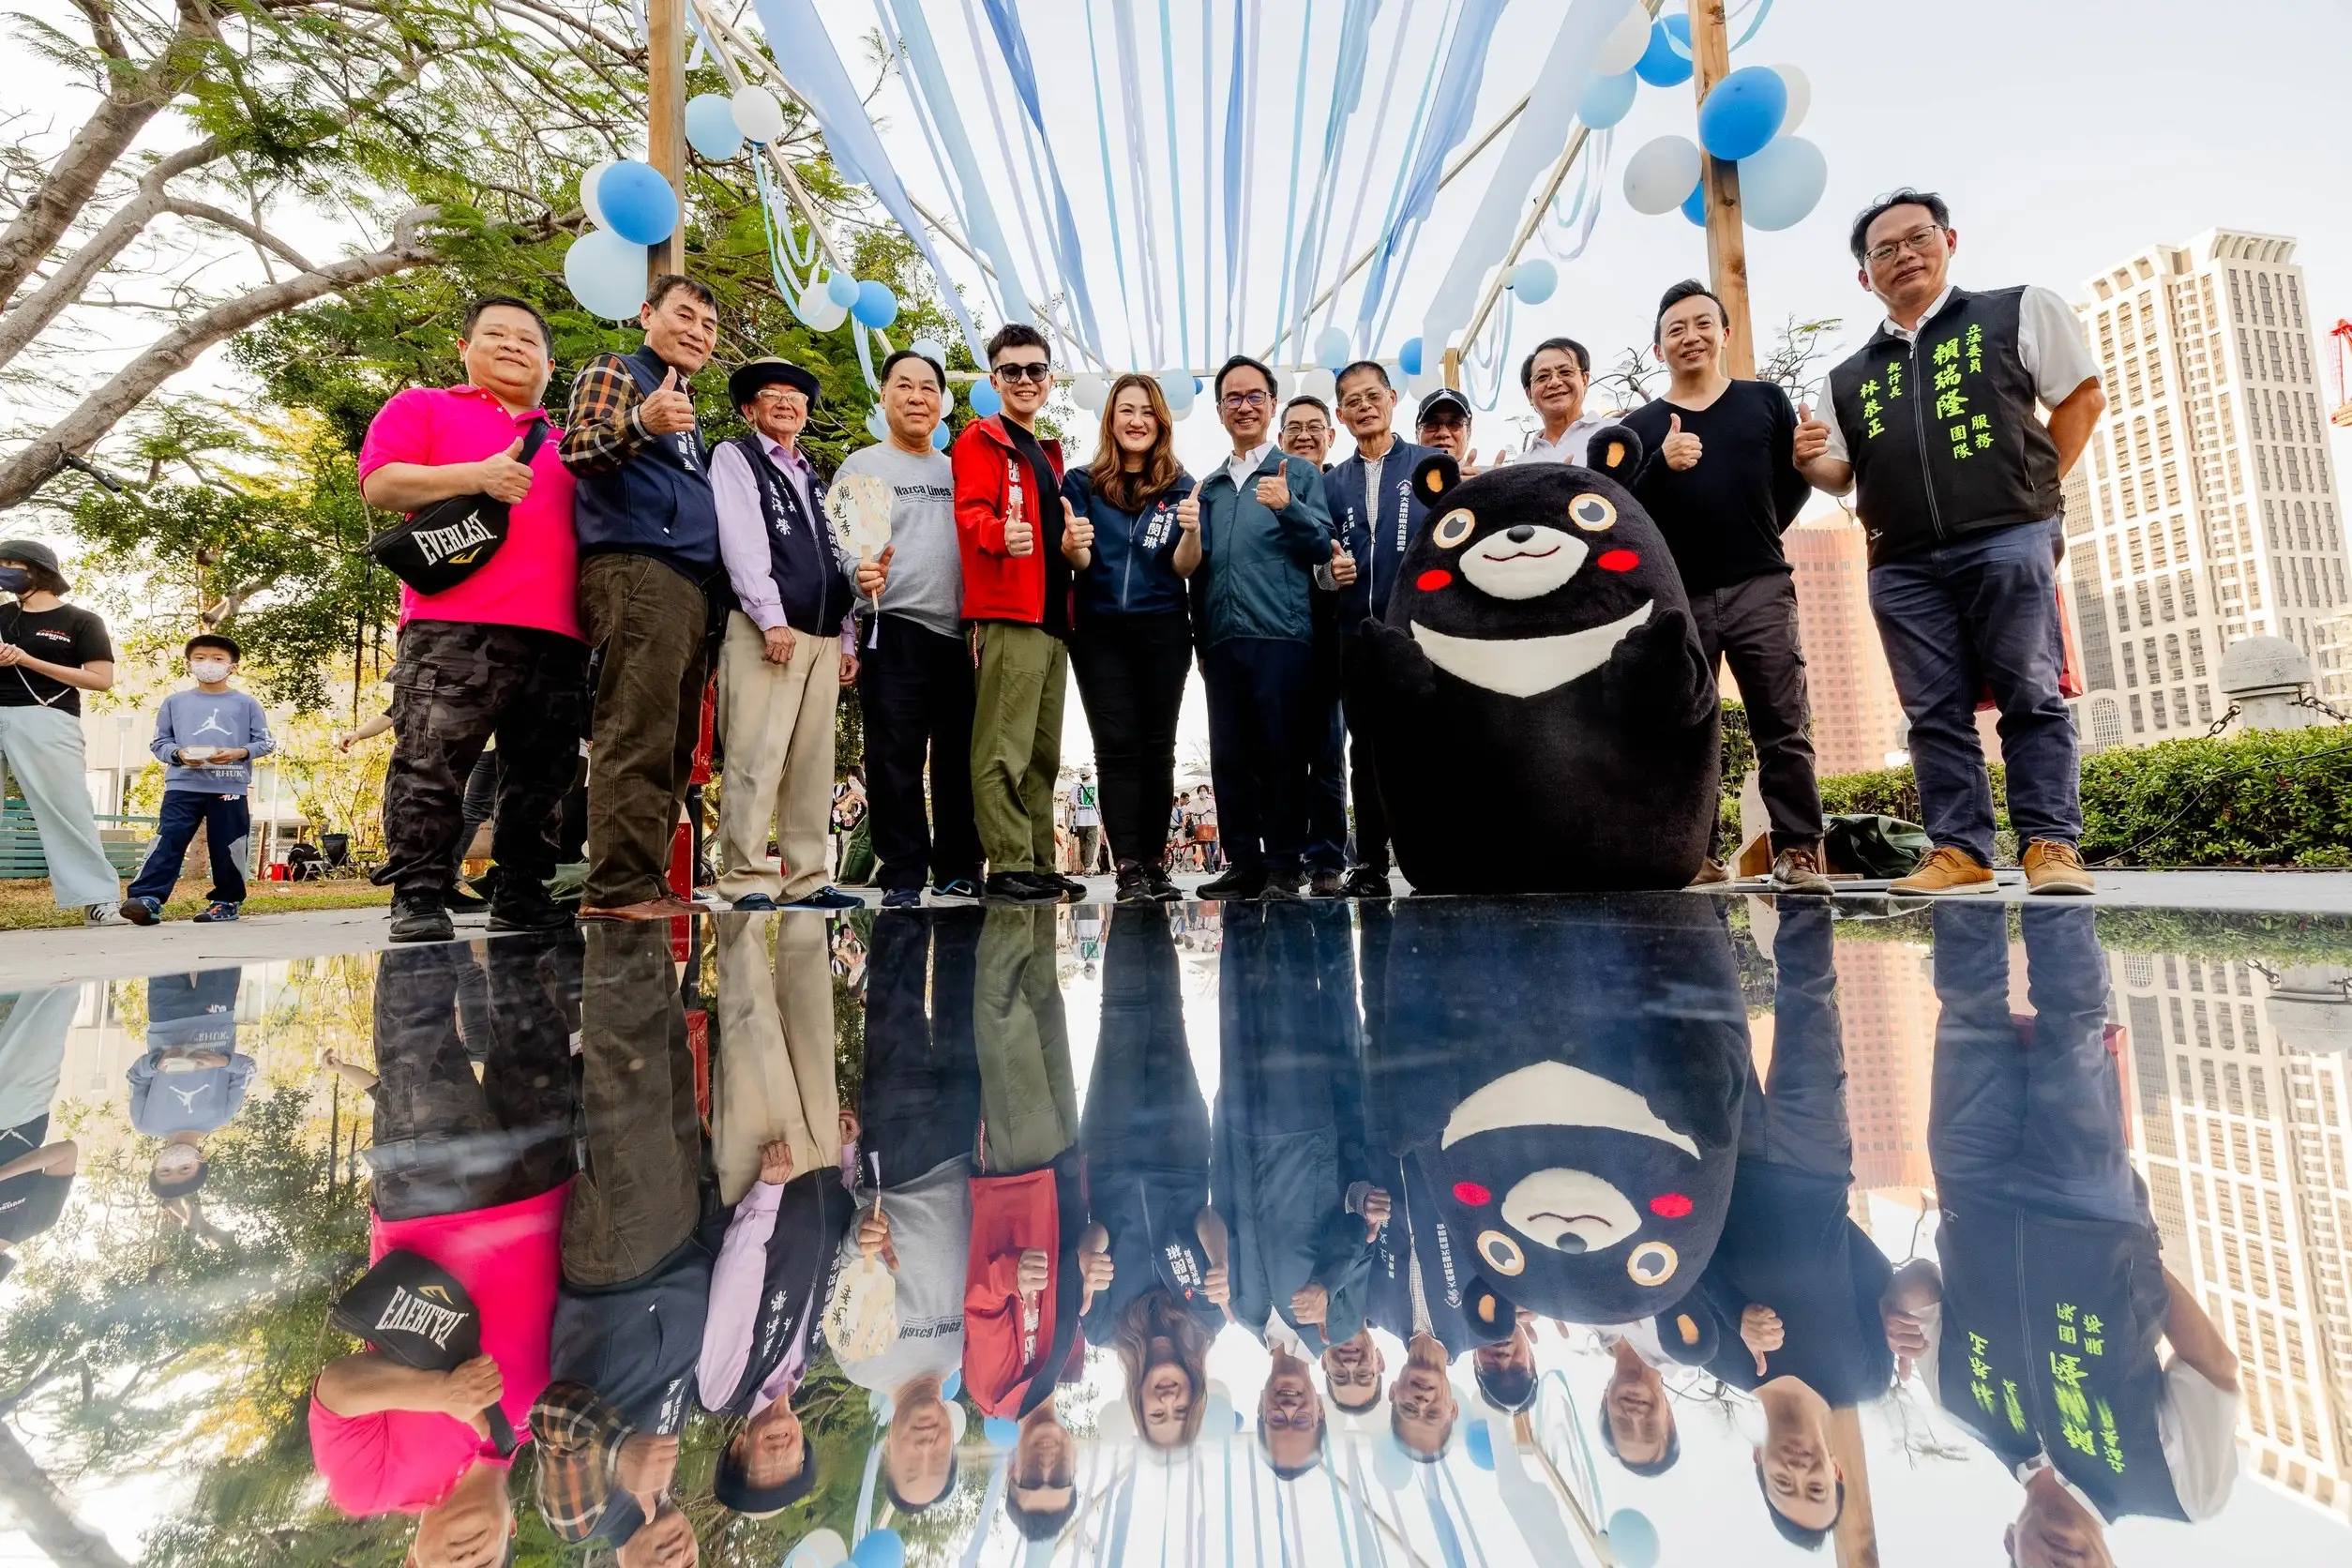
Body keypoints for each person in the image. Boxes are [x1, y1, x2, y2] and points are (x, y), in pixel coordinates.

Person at [1883, 903, 2240, 1559]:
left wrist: (1895, 1305)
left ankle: (1959, 838)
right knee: (2071, 1022)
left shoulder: (1961, 1406)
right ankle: (2051, 831)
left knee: (1966, 1004)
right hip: (2087, 1207)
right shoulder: (2180, 1492)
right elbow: (2212, 1368)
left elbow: (1922, 1288)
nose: (2063, 1563)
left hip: (1973, 1188)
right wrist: (2131, 1254)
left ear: (2009, 1547)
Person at [1797, 188, 2105, 897]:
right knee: (1931, 713)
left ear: (1949, 241)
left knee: (2031, 693)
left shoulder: (2015, 310)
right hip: (1900, 562)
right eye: (1885, 249)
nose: (1903, 255)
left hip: (2008, 537)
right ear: (1864, 274)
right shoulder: (1847, 378)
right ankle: (1959, 850)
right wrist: (1808, 459)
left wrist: (2036, 495)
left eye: (1917, 238)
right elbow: (1840, 473)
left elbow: (2081, 396)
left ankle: (2051, 844)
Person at [309, 938, 576, 1554]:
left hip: (431, 1204)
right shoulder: (541, 1426)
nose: (465, 1563)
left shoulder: (371, 1490)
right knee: (532, 995)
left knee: (417, 1023)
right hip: (543, 1180)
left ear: (411, 1561)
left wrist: (440, 1396)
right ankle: (521, 865)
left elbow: (337, 1392)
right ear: (512, 1534)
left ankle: (425, 877)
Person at [1657, 902, 1885, 1549]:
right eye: (1817, 1488)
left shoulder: (1724, 1360)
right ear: (1837, 1471)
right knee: (1808, 996)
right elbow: (1874, 1275)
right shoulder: (1864, 1377)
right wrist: (1825, 1231)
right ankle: (1798, 858)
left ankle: (1696, 876)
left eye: (1784, 1487)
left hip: (1727, 1157)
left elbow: (1683, 1270)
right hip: (1815, 1163)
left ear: (1759, 1469)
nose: (1799, 1474)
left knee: (1710, 1009)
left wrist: (1737, 1310)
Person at [360, 294, 587, 941]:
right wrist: (476, 476)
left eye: (528, 340)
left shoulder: (572, 446)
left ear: (549, 362)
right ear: (465, 348)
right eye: (497, 335)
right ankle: (419, 895)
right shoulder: (423, 407)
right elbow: (381, 483)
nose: (514, 346)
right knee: (431, 761)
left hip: (561, 634)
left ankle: (521, 892)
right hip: (452, 624)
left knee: (542, 776)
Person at [1620, 281, 1831, 894]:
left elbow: (1786, 489)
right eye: (1675, 329)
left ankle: (1800, 852)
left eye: (1701, 324)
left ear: (1725, 333)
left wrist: (1762, 532)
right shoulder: (1641, 425)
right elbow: (1628, 517)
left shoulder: (1765, 402)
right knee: (1686, 729)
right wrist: (1662, 463)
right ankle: (1695, 854)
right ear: (1658, 348)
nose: (1690, 336)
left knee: (1783, 723)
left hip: (1760, 583)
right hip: (1678, 597)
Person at [561, 275, 724, 921]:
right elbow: (575, 450)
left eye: (708, 326)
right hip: (636, 568)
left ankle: (649, 882)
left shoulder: (684, 405)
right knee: (635, 730)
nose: (697, 332)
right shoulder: (618, 369)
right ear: (646, 314)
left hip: (689, 586)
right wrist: (639, 420)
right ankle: (617, 888)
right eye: (684, 316)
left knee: (676, 743)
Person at [712, 355, 882, 912]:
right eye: (772, 393)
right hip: (768, 628)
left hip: (823, 634)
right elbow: (742, 541)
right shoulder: (736, 457)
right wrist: (769, 614)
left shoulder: (815, 478)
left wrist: (848, 637)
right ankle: (746, 877)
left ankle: (807, 876)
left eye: (796, 396)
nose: (786, 402)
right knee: (756, 754)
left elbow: (838, 559)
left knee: (813, 762)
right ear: (749, 407)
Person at [826, 908, 981, 1515]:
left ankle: (903, 882)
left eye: (910, 1464)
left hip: (898, 1154)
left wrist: (857, 1238)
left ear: (887, 1450)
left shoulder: (859, 1363)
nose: (925, 1447)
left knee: (894, 999)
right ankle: (960, 875)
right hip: (965, 1144)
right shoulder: (964, 1354)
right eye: (937, 1462)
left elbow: (839, 1271)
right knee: (962, 990)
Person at [1177, 356, 1334, 899]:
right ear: (1219, 410)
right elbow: (1195, 567)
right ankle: (1244, 863)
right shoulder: (1209, 488)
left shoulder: (1299, 473)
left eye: (1254, 396)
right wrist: (1201, 635)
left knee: (1284, 753)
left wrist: (1288, 506)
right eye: (1232, 398)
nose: (1244, 407)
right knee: (1231, 757)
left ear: (1271, 404)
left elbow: (1321, 545)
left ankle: (1286, 865)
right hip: (1221, 640)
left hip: (1283, 634)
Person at [845, 351, 985, 910]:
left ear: (942, 402)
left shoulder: (960, 469)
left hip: (960, 635)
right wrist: (859, 575)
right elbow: (846, 553)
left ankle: (960, 867)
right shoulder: (862, 466)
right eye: (904, 385)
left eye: (928, 388)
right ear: (884, 396)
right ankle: (902, 870)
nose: (917, 397)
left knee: (959, 759)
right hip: (892, 626)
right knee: (892, 755)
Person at [953, 324, 1080, 906]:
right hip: (1009, 613)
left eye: (1035, 370)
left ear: (1049, 379)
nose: (1024, 380)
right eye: (1012, 371)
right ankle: (1006, 867)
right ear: (994, 379)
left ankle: (1036, 862)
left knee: (1043, 753)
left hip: (1054, 620)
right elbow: (971, 512)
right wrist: (1000, 534)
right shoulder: (979, 440)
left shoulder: (1047, 454)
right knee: (1002, 747)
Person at [1319, 362, 1440, 898]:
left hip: (1420, 629)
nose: (1364, 406)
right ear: (1340, 415)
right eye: (1352, 400)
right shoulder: (1329, 482)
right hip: (1354, 633)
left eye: (1374, 395)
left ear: (1392, 398)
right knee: (1363, 749)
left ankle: (1435, 858)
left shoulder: (1431, 465)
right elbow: (1313, 564)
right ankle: (1368, 864)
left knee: (1427, 741)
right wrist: (1328, 574)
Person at [0, 539, 122, 925]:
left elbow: (101, 680)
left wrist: (28, 659)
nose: (4, 570)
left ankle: (98, 900)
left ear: (37, 570)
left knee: (66, 808)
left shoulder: (80, 621)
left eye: (10, 563)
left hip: (46, 716)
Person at [122, 636, 274, 925]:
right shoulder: (174, 702)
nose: (209, 664)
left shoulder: (246, 703)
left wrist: (239, 752)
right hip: (182, 784)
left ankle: (227, 901)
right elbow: (159, 742)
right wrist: (178, 754)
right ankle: (147, 899)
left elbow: (265, 742)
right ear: (189, 664)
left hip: (229, 785)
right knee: (168, 840)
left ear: (233, 667)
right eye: (201, 657)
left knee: (229, 845)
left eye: (218, 659)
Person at [1278, 395, 1349, 897]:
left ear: (1331, 435)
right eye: (1294, 428)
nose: (1304, 435)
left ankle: (1327, 855)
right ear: (1280, 438)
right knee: (1281, 751)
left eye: (1315, 426)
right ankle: (1287, 853)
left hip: (1328, 634)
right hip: (1279, 634)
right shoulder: (1269, 488)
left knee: (1326, 749)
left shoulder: (1339, 490)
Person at [128, 967, 251, 1210]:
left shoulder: (145, 1123)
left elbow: (135, 1077)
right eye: (184, 1168)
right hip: (217, 1015)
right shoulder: (222, 1115)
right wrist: (222, 1062)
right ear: (201, 1160)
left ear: (155, 1164)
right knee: (222, 945)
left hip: (166, 1017)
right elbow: (248, 1070)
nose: (174, 1163)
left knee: (164, 948)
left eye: (165, 1170)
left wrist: (156, 1064)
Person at [0, 984, 77, 1286]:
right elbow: (66, 1152)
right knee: (53, 995)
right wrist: (5, 1173)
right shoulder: (35, 1221)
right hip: (20, 1110)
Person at [1516, 337, 1613, 465]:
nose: (1554, 382)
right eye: (1542, 377)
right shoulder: (1522, 464)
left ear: (1585, 380)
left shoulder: (1618, 432)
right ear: (1529, 395)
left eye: (1565, 372)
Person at [1004, 1393, 1078, 1541]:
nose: (1045, 1468)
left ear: (1012, 1469)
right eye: (1060, 1478)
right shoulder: (1069, 1372)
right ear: (1074, 1465)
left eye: (1032, 1479)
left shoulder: (993, 1385)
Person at [1413, 387, 1474, 469]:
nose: (1443, 433)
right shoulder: (1398, 479)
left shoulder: (1483, 480)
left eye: (1454, 424)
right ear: (1417, 435)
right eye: (1432, 424)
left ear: (1468, 433)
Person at [1068, 768, 1103, 874]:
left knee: (1083, 844)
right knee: (1091, 844)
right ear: (1090, 776)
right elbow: (1099, 805)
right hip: (1093, 820)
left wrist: (1080, 807)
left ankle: (1086, 866)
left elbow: (1072, 806)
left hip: (1080, 821)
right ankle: (1088, 867)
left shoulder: (1074, 789)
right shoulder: (1096, 788)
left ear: (1081, 777)